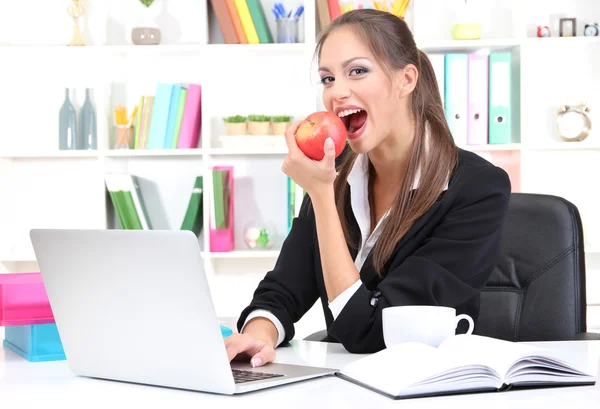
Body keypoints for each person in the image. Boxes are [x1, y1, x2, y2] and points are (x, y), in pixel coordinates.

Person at [225, 9, 511, 367]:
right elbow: (282, 291)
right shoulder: (335, 173)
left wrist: (322, 198)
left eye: (357, 71)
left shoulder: (477, 188)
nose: (337, 92)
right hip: (346, 386)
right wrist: (257, 336)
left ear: (406, 80)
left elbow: (369, 331)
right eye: (328, 78)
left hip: (425, 386)